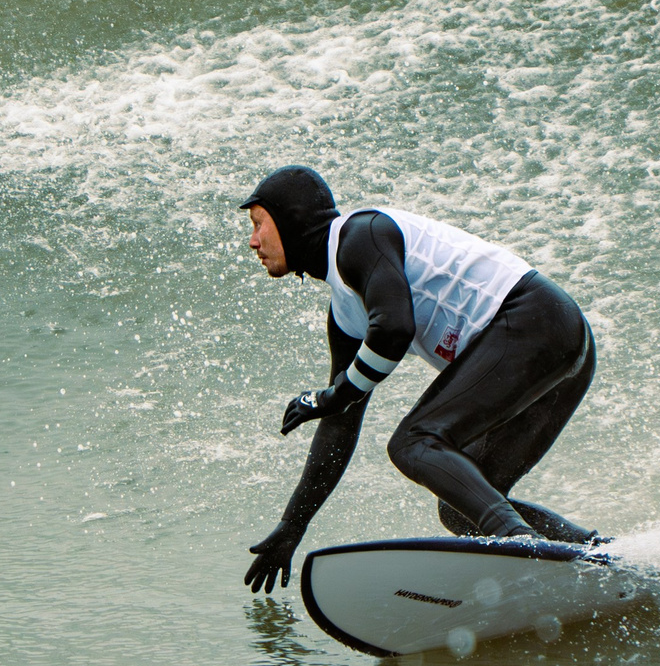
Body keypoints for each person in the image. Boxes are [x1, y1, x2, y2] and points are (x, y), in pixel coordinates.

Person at [239, 165, 600, 594]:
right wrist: (292, 525)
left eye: (259, 223)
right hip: (558, 340)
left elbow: (394, 329)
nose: (253, 241)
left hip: (534, 318)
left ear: (292, 218)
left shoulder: (359, 236)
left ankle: (522, 545)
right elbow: (340, 426)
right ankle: (595, 559)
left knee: (414, 442)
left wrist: (334, 395)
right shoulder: (346, 312)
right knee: (462, 507)